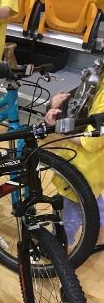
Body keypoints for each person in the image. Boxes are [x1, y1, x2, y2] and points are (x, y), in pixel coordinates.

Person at [45, 86, 104, 246]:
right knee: (94, 203)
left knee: (67, 215)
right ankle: (99, 239)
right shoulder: (99, 77)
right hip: (90, 169)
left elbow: (89, 141)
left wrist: (56, 126)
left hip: (82, 168)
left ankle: (59, 248)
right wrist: (55, 108)